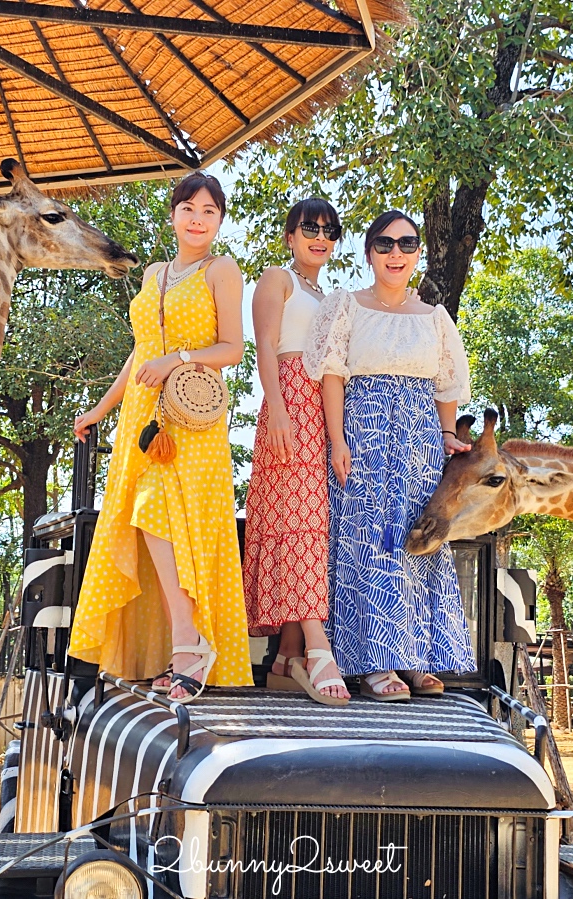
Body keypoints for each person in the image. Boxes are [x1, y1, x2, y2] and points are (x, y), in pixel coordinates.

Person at [69, 172, 251, 703]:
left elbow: (233, 349)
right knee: (144, 524)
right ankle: (173, 651)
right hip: (142, 420)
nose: (198, 219)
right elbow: (140, 351)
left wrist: (181, 359)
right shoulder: (155, 273)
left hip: (193, 420)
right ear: (173, 214)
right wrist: (100, 409)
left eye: (210, 211)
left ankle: (191, 643)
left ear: (219, 221)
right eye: (189, 208)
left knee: (168, 520)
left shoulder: (222, 270)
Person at [303, 210, 476, 701]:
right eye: (384, 244)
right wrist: (337, 440)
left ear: (418, 251)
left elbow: (446, 386)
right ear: (368, 253)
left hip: (419, 437)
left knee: (418, 539)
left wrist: (447, 435)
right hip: (364, 432)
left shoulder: (435, 318)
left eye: (406, 244)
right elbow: (331, 375)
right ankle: (375, 662)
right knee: (370, 542)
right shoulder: (347, 306)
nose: (395, 253)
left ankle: (419, 657)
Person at [243, 199, 348, 706]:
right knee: (297, 520)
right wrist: (279, 409)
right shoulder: (276, 279)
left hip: (319, 408)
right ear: (290, 235)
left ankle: (286, 656)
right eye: (310, 227)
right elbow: (264, 345)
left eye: (330, 230)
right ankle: (317, 647)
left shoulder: (324, 293)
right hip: (287, 402)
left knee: (307, 525)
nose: (320, 236)